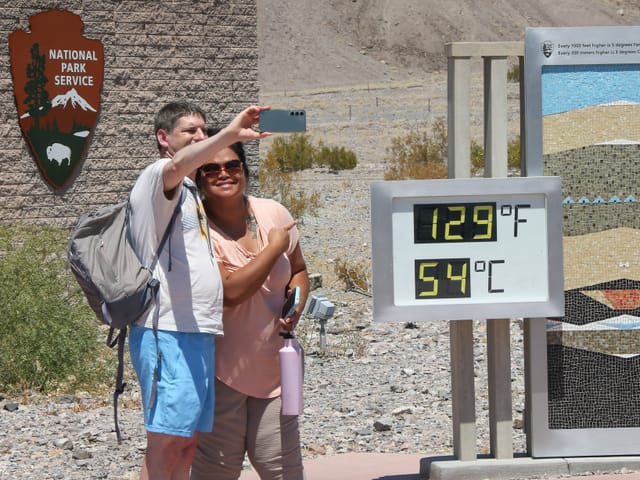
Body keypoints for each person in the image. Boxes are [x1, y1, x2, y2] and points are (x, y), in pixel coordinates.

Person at [127, 101, 270, 480]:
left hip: (196, 333)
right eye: (190, 131)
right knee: (164, 443)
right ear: (164, 139)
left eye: (204, 131)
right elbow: (176, 165)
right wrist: (230, 135)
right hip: (167, 331)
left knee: (187, 442)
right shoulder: (159, 175)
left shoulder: (190, 190)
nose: (200, 137)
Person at [190, 134, 309, 480]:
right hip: (220, 371)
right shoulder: (195, 228)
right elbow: (230, 292)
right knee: (217, 471)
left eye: (231, 165)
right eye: (210, 168)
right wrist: (273, 249)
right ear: (197, 177)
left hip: (276, 366)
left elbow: (299, 269)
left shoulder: (273, 212)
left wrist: (297, 300)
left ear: (243, 169)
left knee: (282, 468)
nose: (222, 173)